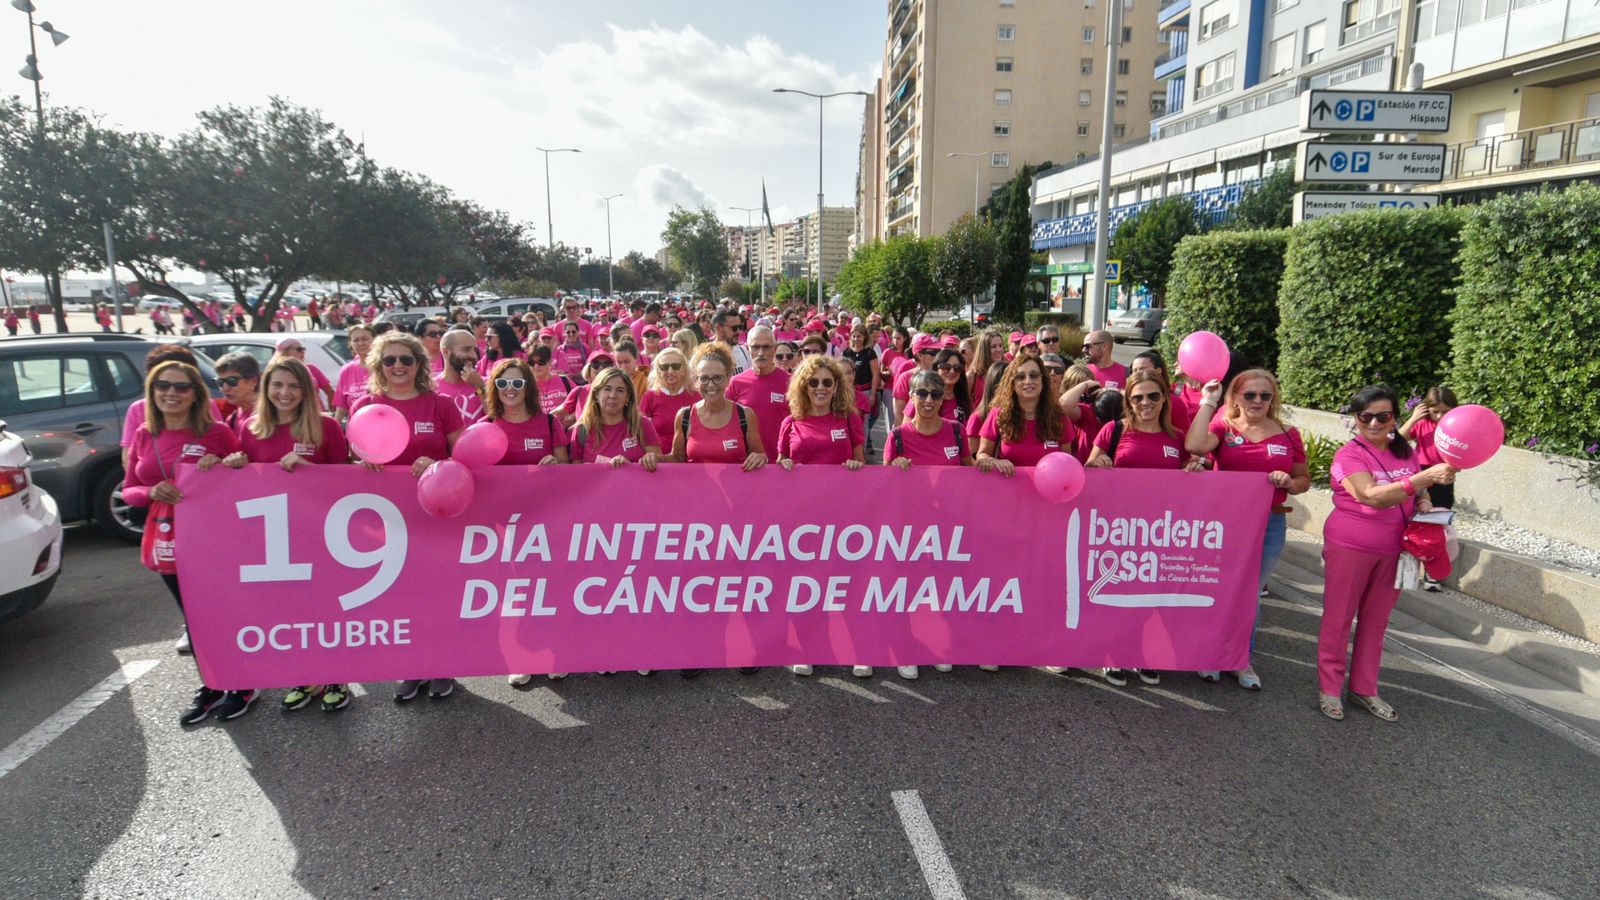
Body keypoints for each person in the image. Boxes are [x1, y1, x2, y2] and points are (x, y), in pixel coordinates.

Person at [1316, 385, 1455, 722]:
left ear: (1395, 417)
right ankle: (1329, 687)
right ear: (1356, 419)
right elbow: (1370, 495)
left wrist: (1422, 498)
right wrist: (1420, 479)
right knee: (1339, 619)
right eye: (1366, 416)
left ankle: (1364, 687)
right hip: (1351, 546)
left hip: (1396, 550)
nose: (1375, 423)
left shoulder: (1404, 451)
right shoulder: (1348, 456)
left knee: (1376, 623)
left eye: (1384, 415)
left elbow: (1414, 489)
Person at [220, 357, 352, 712]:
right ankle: (304, 676)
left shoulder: (325, 427)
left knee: (324, 611)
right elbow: (243, 483)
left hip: (320, 535)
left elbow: (348, 484)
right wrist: (233, 465)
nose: (285, 393)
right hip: (274, 543)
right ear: (265, 388)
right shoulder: (251, 428)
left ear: (306, 391)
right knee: (290, 612)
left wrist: (311, 472)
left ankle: (336, 677)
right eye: (278, 384)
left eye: (294, 386)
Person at [123, 361, 245, 725]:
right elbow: (128, 488)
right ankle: (210, 683)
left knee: (220, 613)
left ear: (195, 394)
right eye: (162, 386)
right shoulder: (145, 433)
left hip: (214, 539)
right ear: (152, 391)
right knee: (192, 617)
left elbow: (244, 477)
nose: (171, 393)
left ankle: (239, 684)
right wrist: (149, 490)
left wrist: (225, 465)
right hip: (166, 537)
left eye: (181, 387)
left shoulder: (216, 433)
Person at [349, 332, 465, 702]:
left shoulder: (441, 405)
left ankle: (442, 665)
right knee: (398, 596)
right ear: (378, 365)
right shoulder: (365, 406)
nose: (398, 366)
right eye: (389, 360)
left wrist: (439, 463)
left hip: (434, 516)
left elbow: (463, 456)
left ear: (419, 363)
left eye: (406, 359)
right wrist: (360, 462)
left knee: (438, 594)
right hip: (386, 522)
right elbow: (351, 462)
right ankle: (412, 667)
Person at [1184, 368, 1311, 688]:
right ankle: (1210, 654)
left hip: (1269, 523)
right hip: (1225, 524)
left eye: (1264, 396)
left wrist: (1289, 483)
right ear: (1236, 397)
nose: (1257, 401)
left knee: (1250, 594)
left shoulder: (1287, 433)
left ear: (1273, 399)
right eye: (1249, 395)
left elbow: (1303, 480)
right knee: (1218, 588)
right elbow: (1196, 446)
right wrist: (1208, 401)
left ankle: (1241, 658)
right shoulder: (1223, 427)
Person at [1086, 369, 1192, 688]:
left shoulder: (1177, 438)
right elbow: (1089, 468)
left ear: (1164, 398)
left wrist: (1193, 468)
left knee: (1148, 600)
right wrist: (1098, 464)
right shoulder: (1113, 431)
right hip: (1118, 530)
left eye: (1153, 396)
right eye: (1138, 397)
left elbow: (1190, 479)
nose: (1145, 403)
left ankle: (1140, 653)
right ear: (1129, 401)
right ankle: (1112, 655)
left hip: (1159, 533)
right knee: (1117, 596)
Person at [882, 368, 972, 680]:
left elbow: (969, 476)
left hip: (947, 527)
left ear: (944, 397)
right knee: (908, 589)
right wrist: (895, 468)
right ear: (911, 397)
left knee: (940, 590)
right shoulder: (898, 436)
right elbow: (882, 488)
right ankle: (906, 648)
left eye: (935, 394)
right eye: (922, 393)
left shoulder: (957, 431)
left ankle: (936, 646)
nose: (929, 400)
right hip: (910, 529)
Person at [1400, 385, 1460, 588]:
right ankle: (1408, 569)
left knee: (1438, 525)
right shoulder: (1423, 424)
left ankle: (1433, 573)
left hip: (1444, 477)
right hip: (1420, 473)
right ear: (1427, 409)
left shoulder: (1456, 426)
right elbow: (1397, 441)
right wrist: (1413, 418)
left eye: (1446, 411)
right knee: (1414, 522)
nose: (1440, 416)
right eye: (1436, 411)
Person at [977, 355, 1074, 476]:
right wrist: (993, 461)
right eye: (1020, 377)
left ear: (1043, 380)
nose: (1028, 381)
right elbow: (982, 455)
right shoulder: (999, 414)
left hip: (1047, 492)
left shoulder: (1059, 416)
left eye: (1034, 375)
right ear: (1012, 383)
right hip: (1007, 489)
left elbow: (1067, 462)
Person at [569, 367, 663, 469]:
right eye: (607, 389)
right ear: (596, 394)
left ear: (628, 397)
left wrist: (630, 467)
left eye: (620, 390)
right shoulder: (582, 429)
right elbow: (577, 474)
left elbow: (657, 470)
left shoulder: (642, 425)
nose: (613, 395)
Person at [726, 326, 790, 457]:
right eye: (755, 347)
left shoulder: (791, 382)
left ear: (774, 349)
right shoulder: (736, 383)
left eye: (766, 347)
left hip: (781, 463)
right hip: (747, 463)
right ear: (748, 349)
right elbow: (725, 422)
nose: (761, 352)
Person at [640, 348, 698, 441]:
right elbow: (642, 434)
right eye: (664, 367)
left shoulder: (696, 396)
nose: (670, 371)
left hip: (690, 454)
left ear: (684, 369)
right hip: (660, 454)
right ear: (658, 371)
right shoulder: (649, 397)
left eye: (675, 366)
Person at [839, 325, 881, 453]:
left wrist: (873, 394)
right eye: (854, 336)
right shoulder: (846, 352)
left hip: (865, 390)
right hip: (849, 391)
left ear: (864, 337)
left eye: (859, 336)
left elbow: (875, 374)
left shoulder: (869, 353)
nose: (856, 339)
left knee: (865, 420)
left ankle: (862, 445)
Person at [435, 329, 486, 425]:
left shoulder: (486, 384)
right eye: (466, 349)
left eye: (474, 350)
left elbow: (497, 419)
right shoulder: (432, 388)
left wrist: (480, 387)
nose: (473, 355)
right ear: (446, 351)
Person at [274, 336, 337, 410]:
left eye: (303, 349)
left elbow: (330, 392)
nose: (303, 352)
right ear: (285, 351)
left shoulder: (311, 368)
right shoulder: (275, 372)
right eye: (299, 349)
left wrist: (332, 414)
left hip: (315, 416)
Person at [892, 335, 942, 420]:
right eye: (934, 353)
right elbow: (899, 413)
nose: (938, 356)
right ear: (920, 355)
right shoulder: (905, 378)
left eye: (940, 352)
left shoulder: (943, 375)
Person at [333, 324, 375, 424]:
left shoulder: (386, 366)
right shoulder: (346, 370)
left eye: (365, 339)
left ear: (374, 340)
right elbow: (342, 407)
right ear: (350, 344)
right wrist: (335, 428)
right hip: (355, 430)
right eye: (356, 340)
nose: (360, 343)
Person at [212, 352, 261, 431]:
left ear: (253, 381)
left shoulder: (273, 415)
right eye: (220, 382)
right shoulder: (232, 420)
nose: (225, 388)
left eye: (231, 381)